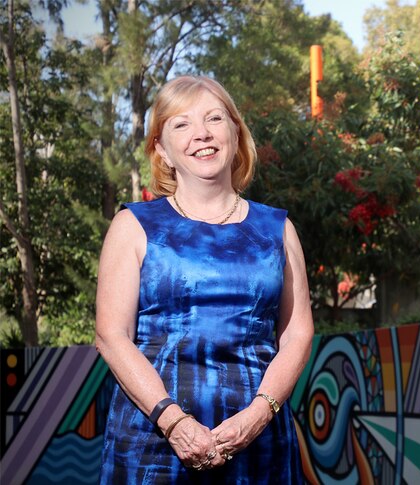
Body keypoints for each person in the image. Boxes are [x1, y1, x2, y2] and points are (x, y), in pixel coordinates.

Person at [95, 75, 314, 483]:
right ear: (161, 148)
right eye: (181, 124)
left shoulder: (279, 230)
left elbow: (298, 334)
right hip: (152, 443)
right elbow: (111, 335)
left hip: (259, 441)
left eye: (214, 118)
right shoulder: (132, 226)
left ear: (235, 131)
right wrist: (173, 422)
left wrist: (258, 414)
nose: (202, 134)